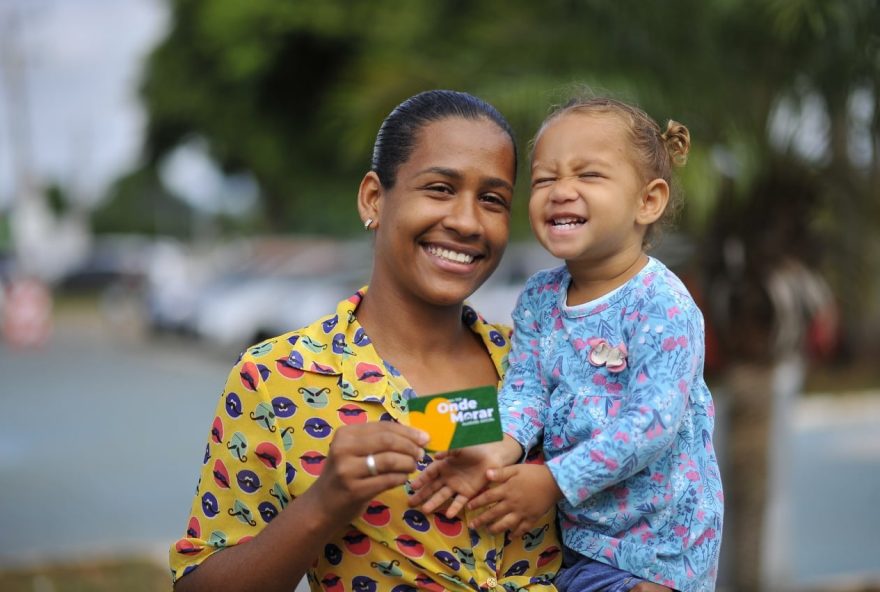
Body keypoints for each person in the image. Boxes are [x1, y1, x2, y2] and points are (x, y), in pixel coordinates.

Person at [169, 89, 562, 592]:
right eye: (440, 188)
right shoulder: (276, 378)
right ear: (374, 198)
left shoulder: (544, 365)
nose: (466, 221)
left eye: (492, 200)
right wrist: (325, 503)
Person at [410, 96, 723, 592]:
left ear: (649, 200)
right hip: (578, 544)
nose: (561, 192)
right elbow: (527, 391)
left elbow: (653, 422)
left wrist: (555, 481)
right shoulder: (539, 296)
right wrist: (501, 448)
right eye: (544, 179)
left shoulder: (662, 303)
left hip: (656, 556)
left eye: (589, 175)